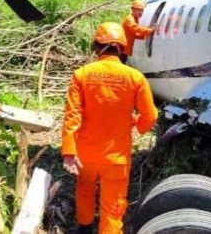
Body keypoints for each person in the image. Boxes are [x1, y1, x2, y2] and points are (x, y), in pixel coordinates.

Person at [61, 22, 159, 234]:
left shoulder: (82, 74)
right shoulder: (135, 77)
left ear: (96, 47)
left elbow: (72, 115)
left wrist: (69, 151)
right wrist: (136, 124)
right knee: (113, 203)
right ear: (123, 48)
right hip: (117, 157)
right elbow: (150, 116)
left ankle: (84, 227)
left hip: (86, 154)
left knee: (85, 190)